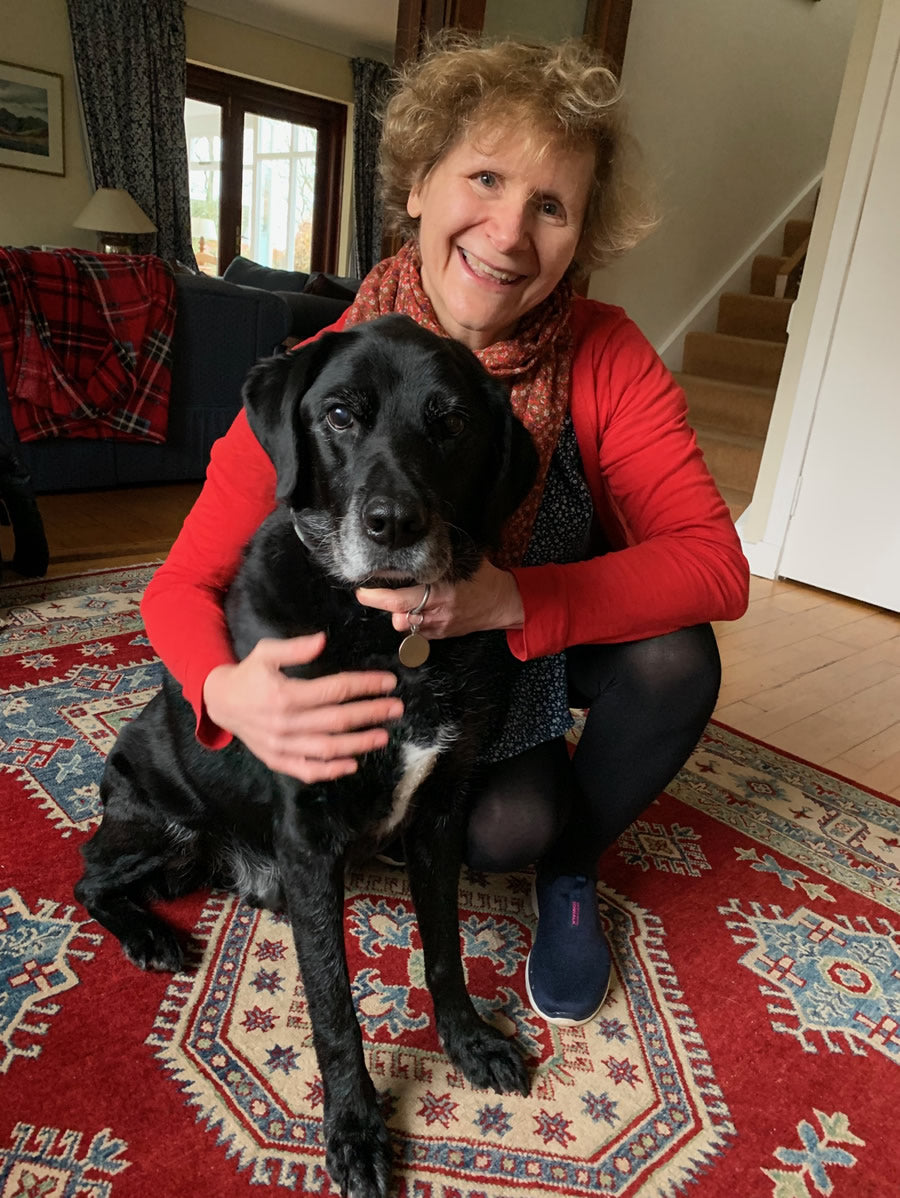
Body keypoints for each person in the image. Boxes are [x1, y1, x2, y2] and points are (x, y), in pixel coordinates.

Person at [142, 36, 749, 1027]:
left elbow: (717, 568)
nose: (510, 231)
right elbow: (177, 587)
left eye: (550, 205)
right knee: (493, 819)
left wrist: (519, 598)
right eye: (485, 177)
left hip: (527, 652)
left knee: (676, 662)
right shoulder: (321, 375)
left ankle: (571, 871)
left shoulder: (607, 357)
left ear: (581, 234)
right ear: (419, 183)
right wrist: (227, 695)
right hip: (402, 670)